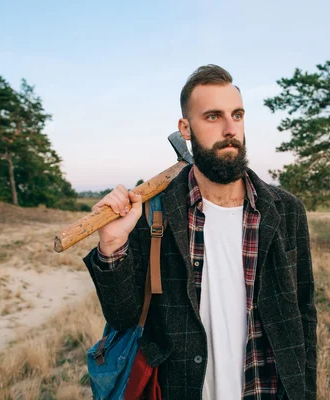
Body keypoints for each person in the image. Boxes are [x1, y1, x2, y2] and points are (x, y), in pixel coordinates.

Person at [83, 65, 317, 400]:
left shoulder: (286, 210)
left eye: (237, 115)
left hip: (267, 390)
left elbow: (304, 315)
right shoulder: (155, 213)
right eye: (212, 116)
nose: (229, 128)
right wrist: (112, 243)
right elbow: (123, 317)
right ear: (185, 128)